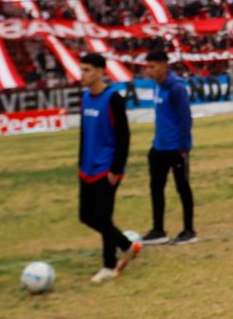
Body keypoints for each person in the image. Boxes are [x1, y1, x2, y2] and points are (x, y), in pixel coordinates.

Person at [78, 53, 142, 284]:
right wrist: (80, 161)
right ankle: (126, 245)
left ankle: (108, 265)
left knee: (103, 217)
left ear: (100, 72)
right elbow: (84, 133)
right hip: (87, 167)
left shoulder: (113, 98)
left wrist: (116, 168)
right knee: (86, 216)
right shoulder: (85, 97)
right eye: (82, 69)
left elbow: (124, 136)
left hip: (106, 168)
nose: (82, 74)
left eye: (87, 70)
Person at [140, 50, 196, 245]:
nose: (149, 71)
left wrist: (183, 148)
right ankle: (158, 230)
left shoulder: (177, 88)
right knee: (156, 188)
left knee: (182, 187)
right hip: (159, 148)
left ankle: (189, 230)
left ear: (164, 65)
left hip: (176, 148)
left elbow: (185, 120)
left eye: (152, 66)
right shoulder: (157, 86)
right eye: (147, 67)